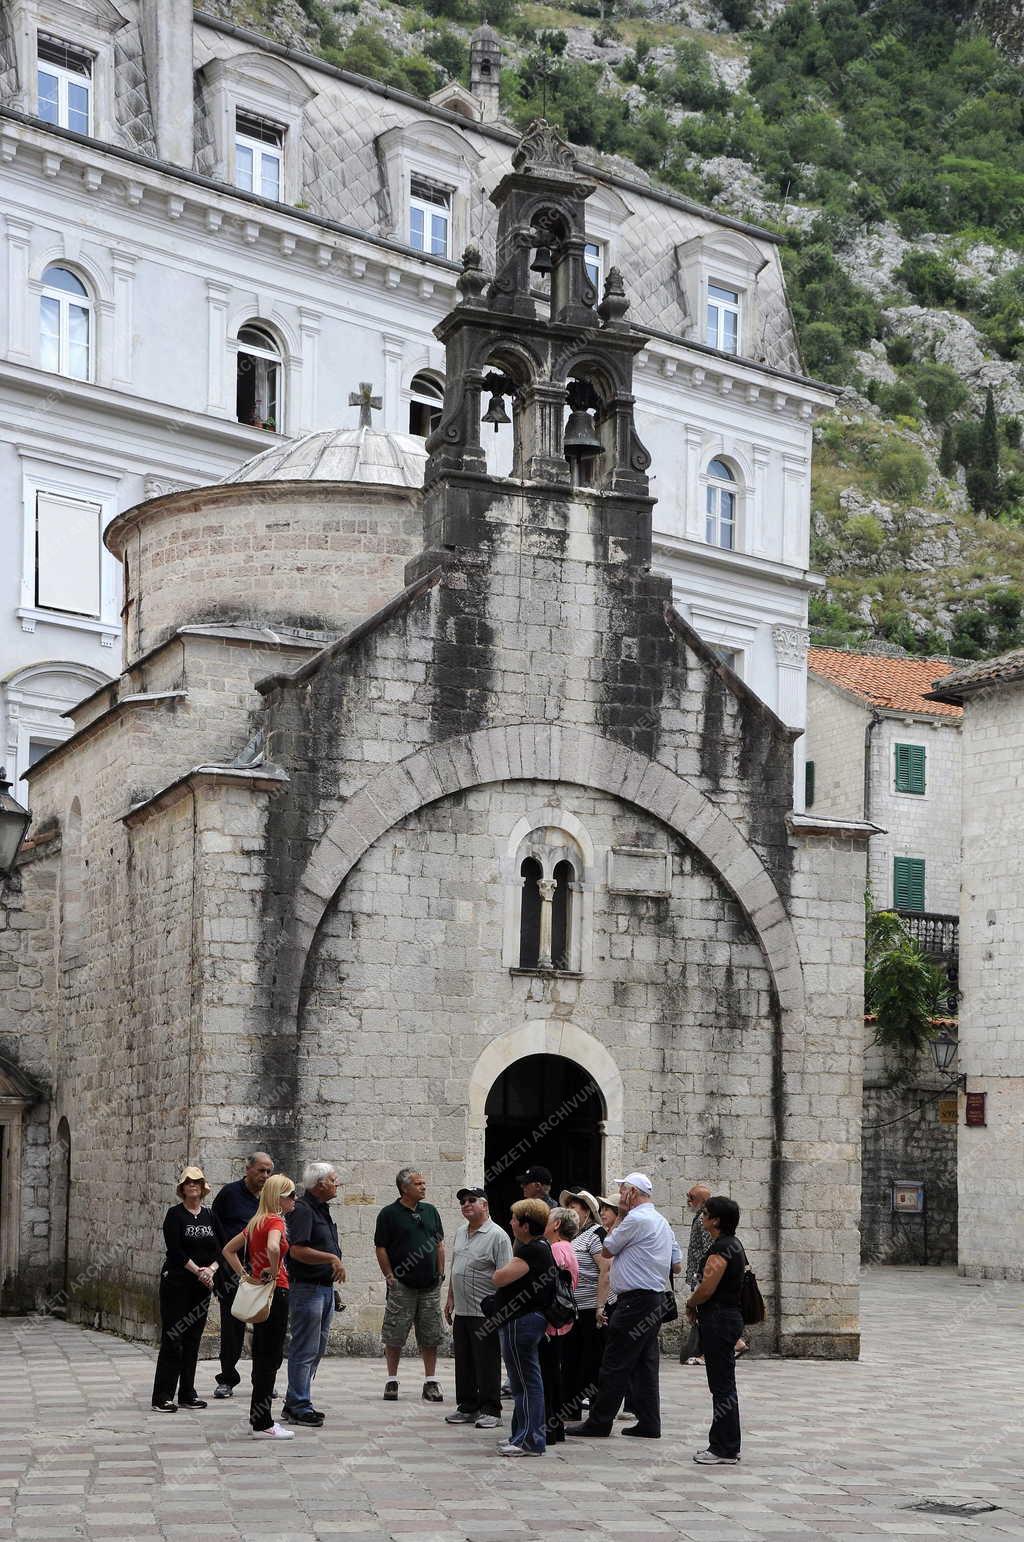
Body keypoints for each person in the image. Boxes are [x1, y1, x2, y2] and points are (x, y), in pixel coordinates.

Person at [565, 1172, 680, 1440]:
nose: (621, 1195)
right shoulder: (661, 1221)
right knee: (645, 1364)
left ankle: (600, 1421)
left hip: (634, 1302)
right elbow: (676, 1263)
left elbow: (607, 1249)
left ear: (632, 1193)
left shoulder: (635, 1219)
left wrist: (621, 1217)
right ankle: (649, 1422)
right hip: (654, 1299)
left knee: (614, 1362)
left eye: (623, 1190)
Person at [223, 1172, 297, 1440]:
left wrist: (245, 1273)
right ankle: (263, 1421)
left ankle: (259, 1417)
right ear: (279, 1198)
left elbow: (228, 1250)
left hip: (260, 1290)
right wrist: (275, 1271)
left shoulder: (256, 1221)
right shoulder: (275, 1220)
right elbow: (274, 1247)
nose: (294, 1200)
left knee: (262, 1354)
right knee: (271, 1356)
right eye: (290, 1195)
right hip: (275, 1293)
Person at [488, 1197, 555, 1457]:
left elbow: (499, 1277)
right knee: (521, 1383)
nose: (511, 1223)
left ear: (526, 1225)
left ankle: (529, 1440)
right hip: (524, 1320)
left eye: (515, 1219)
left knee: (527, 1383)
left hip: (522, 1322)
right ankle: (520, 1435)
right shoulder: (538, 1246)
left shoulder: (532, 1250)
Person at [151, 1166, 221, 1412]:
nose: (193, 1186)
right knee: (174, 1338)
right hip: (178, 1284)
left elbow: (221, 1247)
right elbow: (176, 1250)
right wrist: (198, 1271)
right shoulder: (175, 1215)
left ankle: (187, 1392)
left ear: (203, 1188)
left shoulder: (210, 1216)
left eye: (197, 1182)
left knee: (193, 1339)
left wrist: (211, 1270)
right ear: (182, 1188)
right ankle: (162, 1396)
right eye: (188, 1182)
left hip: (202, 1287)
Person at [375, 1167, 446, 1402]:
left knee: (431, 1334)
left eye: (424, 1183)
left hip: (429, 1285)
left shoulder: (431, 1211)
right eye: (418, 1184)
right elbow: (381, 1247)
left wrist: (440, 1273)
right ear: (405, 1188)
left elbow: (439, 1244)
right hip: (402, 1285)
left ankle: (430, 1382)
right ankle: (391, 1380)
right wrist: (389, 1275)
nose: (424, 1186)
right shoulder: (389, 1214)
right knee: (394, 1333)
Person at [283, 1161, 346, 1427]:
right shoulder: (303, 1211)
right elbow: (296, 1250)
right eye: (333, 1179)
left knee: (317, 1348)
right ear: (320, 1184)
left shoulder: (322, 1210)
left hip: (324, 1289)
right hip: (307, 1289)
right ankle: (298, 1404)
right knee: (304, 1348)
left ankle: (296, 1399)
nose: (337, 1184)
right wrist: (331, 1258)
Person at [444, 1187, 512, 1429]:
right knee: (463, 1361)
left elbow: (506, 1275)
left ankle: (491, 1409)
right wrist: (450, 1298)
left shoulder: (498, 1236)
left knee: (486, 1361)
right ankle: (467, 1406)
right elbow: (455, 1266)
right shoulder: (461, 1232)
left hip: (485, 1311)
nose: (466, 1204)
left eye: (472, 1200)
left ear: (485, 1205)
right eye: (462, 1201)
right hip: (462, 1309)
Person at [686, 1194, 746, 1466]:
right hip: (728, 1317)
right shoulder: (733, 1244)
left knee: (721, 1386)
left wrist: (690, 1302)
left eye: (706, 1213)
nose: (702, 1216)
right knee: (724, 1385)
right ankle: (727, 1444)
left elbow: (707, 1288)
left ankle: (723, 1447)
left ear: (716, 1220)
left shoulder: (721, 1248)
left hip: (719, 1319)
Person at [210, 1151, 274, 1399]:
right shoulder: (229, 1194)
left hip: (263, 1273)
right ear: (247, 1169)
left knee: (264, 1327)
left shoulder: (270, 1199)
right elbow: (215, 1231)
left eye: (269, 1171)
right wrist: (218, 1269)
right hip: (233, 1272)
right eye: (261, 1170)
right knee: (232, 1326)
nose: (265, 1176)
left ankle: (263, 1379)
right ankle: (227, 1378)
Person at [560, 1189, 605, 1421]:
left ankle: (594, 1411)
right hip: (572, 1308)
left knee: (589, 1360)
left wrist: (600, 1304)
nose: (570, 1212)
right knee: (571, 1359)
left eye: (574, 1207)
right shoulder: (571, 1237)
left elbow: (605, 1268)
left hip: (589, 1307)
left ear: (586, 1211)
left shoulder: (596, 1234)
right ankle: (570, 1408)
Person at [540, 1206, 579, 1444]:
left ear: (556, 1225)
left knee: (548, 1376)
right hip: (560, 1322)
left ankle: (549, 1429)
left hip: (551, 1323)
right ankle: (555, 1428)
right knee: (553, 1375)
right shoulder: (567, 1248)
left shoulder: (556, 1249)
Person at [681, 1182, 712, 1365]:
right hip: (698, 1274)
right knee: (701, 1313)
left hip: (703, 1275)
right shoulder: (700, 1218)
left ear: (702, 1200)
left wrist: (703, 1276)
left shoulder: (704, 1220)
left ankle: (734, 1343)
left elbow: (709, 1250)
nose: (688, 1201)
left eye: (691, 1198)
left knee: (703, 1312)